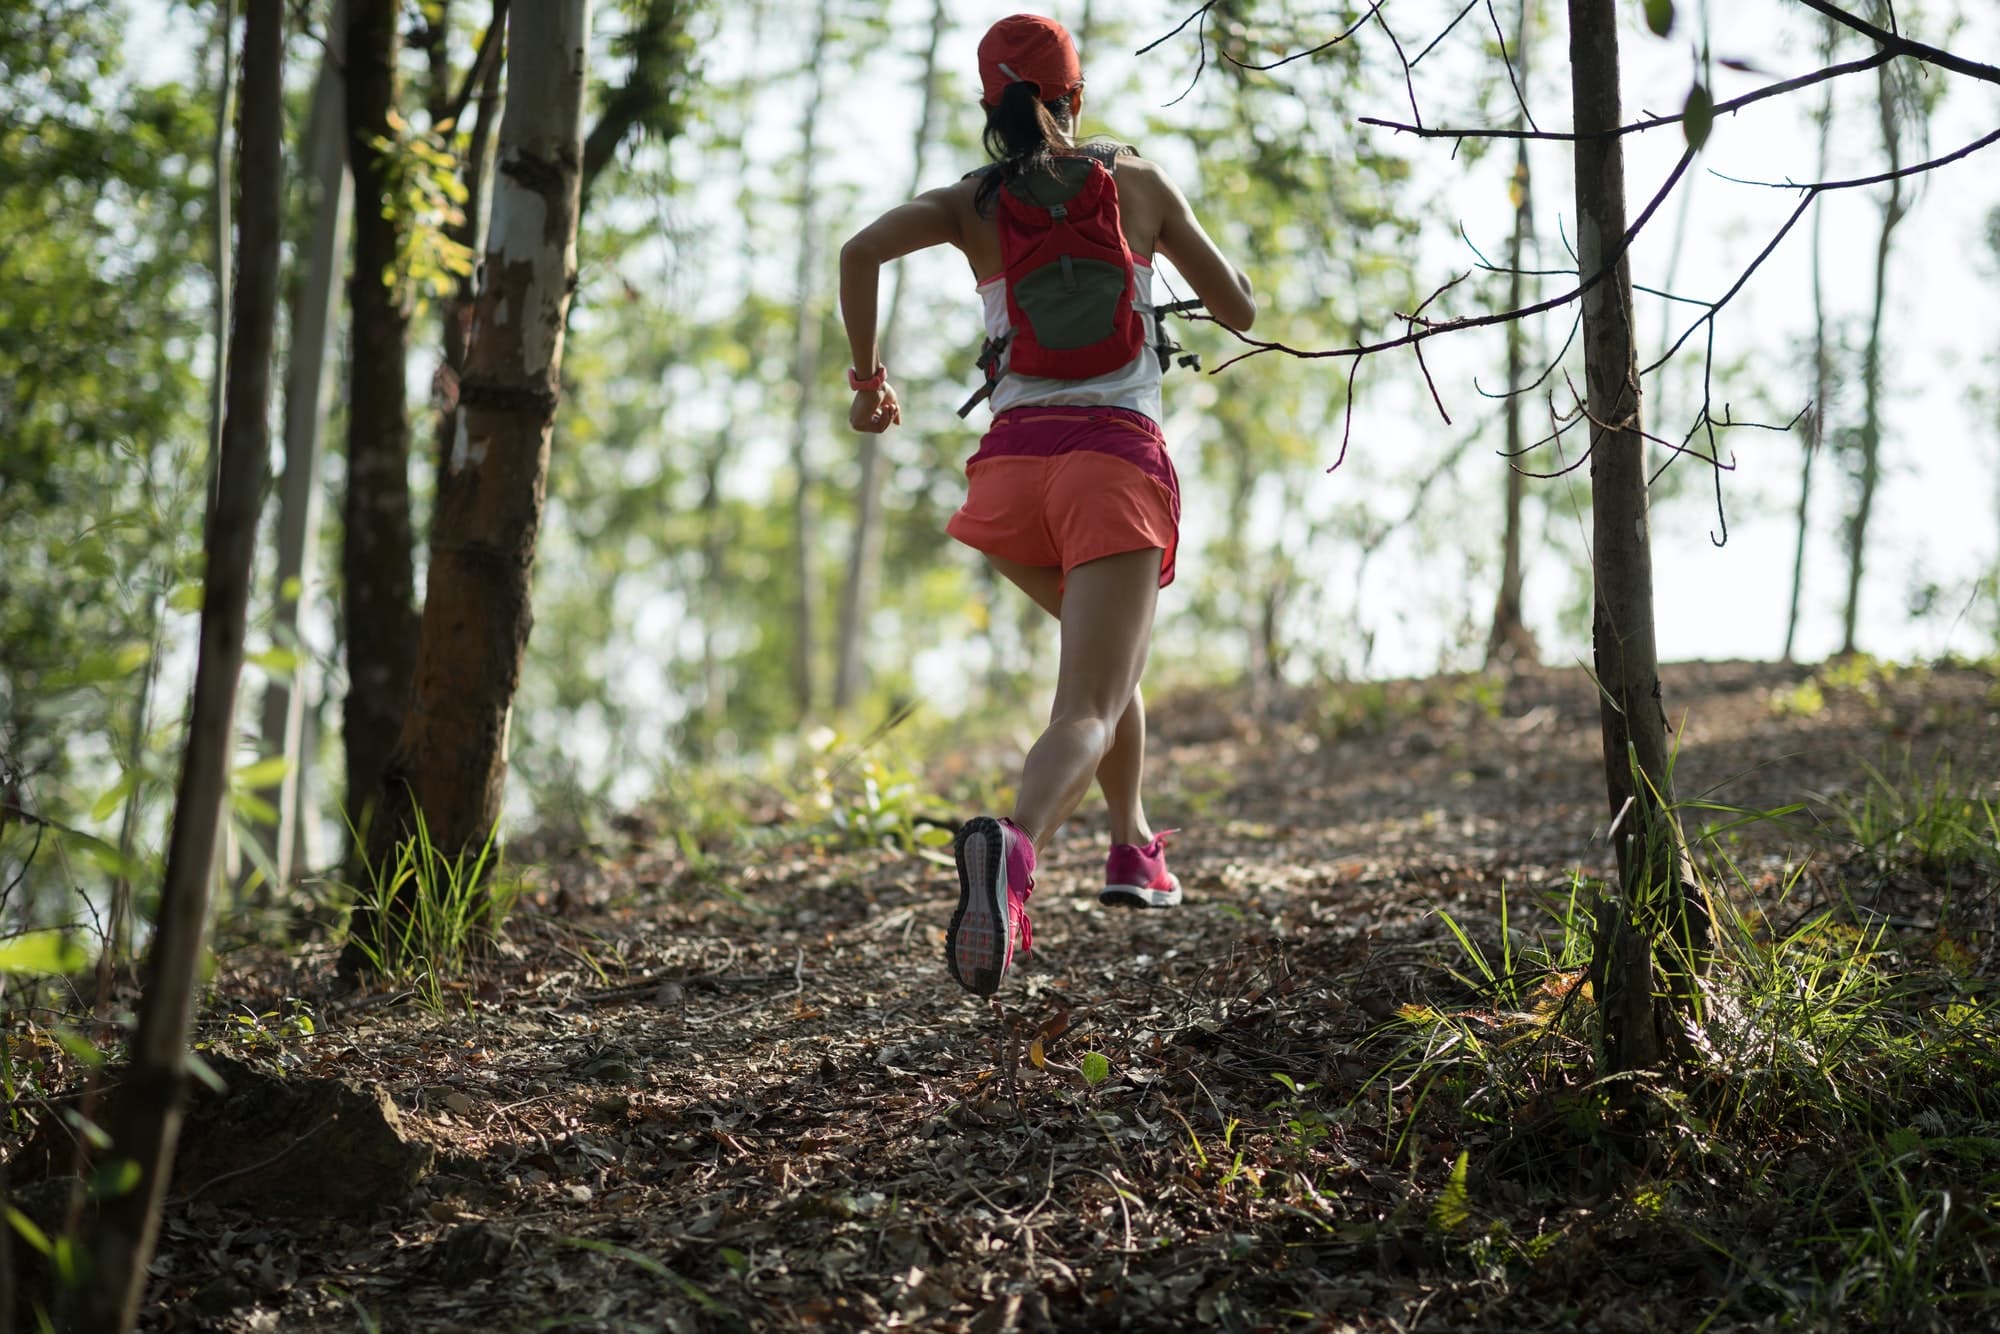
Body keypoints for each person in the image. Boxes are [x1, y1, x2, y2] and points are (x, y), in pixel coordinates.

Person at [837, 13, 1256, 997]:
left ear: (992, 103)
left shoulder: (969, 202)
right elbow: (1236, 310)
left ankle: (1131, 847)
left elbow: (858, 251)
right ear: (1076, 93)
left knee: (1105, 664)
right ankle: (1013, 846)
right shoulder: (1138, 183)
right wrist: (1216, 278)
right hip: (1111, 469)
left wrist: (867, 380)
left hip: (1011, 481)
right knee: (1087, 705)